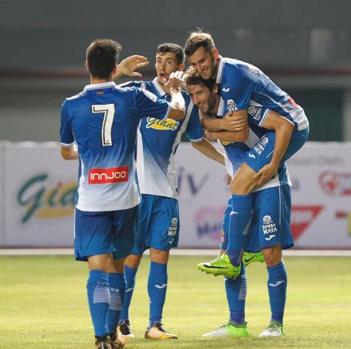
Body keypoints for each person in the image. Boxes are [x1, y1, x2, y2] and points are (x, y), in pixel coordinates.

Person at [59, 38, 185, 349]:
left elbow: (66, 153)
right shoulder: (133, 97)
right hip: (126, 199)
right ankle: (115, 335)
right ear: (116, 68)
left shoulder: (71, 105)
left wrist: (86, 153)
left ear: (87, 66)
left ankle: (102, 337)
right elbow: (177, 113)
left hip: (91, 200)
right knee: (117, 269)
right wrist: (178, 91)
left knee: (96, 268)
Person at [111, 43, 225, 340]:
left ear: (178, 67)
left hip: (166, 192)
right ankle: (122, 323)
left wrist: (227, 163)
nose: (161, 66)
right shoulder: (139, 91)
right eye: (159, 61)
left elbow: (198, 140)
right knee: (132, 257)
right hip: (136, 191)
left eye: (169, 62)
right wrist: (117, 72)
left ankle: (155, 325)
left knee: (161, 255)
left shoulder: (185, 101)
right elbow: (100, 90)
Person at [184, 31, 309, 282]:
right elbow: (223, 130)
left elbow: (239, 132)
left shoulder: (233, 78)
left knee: (239, 184)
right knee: (243, 186)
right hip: (273, 130)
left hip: (289, 127)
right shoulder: (221, 80)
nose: (199, 68)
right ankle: (248, 253)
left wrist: (210, 125)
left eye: (203, 61)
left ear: (215, 54)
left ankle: (232, 259)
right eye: (194, 64)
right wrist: (216, 124)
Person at [184, 71, 295, 337]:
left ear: (214, 90)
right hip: (242, 189)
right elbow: (198, 141)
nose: (196, 99)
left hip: (269, 183)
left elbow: (282, 124)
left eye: (200, 93)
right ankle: (236, 325)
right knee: (230, 256)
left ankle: (275, 324)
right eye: (192, 95)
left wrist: (273, 163)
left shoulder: (240, 107)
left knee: (271, 253)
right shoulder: (205, 117)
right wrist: (228, 164)